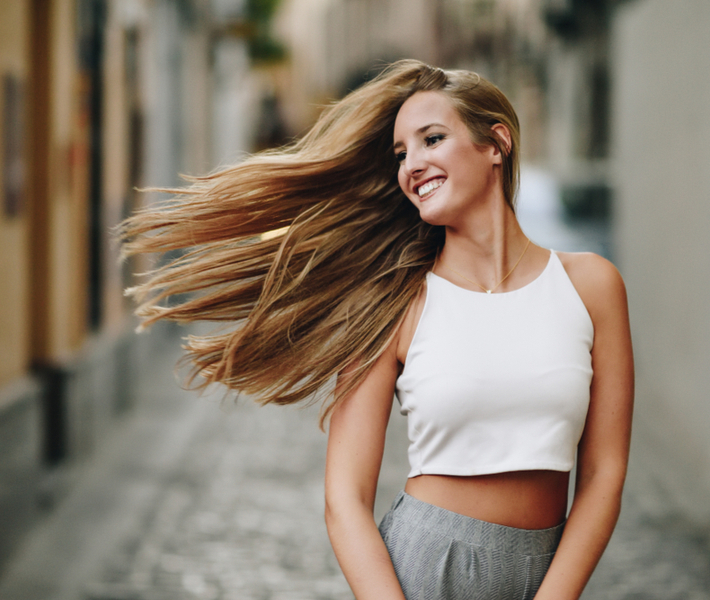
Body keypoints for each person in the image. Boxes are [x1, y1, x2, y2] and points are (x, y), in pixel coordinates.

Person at [119, 60, 634, 600]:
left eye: (431, 139)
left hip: (544, 571)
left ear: (496, 144)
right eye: (401, 154)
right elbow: (344, 497)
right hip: (425, 570)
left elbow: (603, 473)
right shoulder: (395, 302)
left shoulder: (592, 286)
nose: (413, 164)